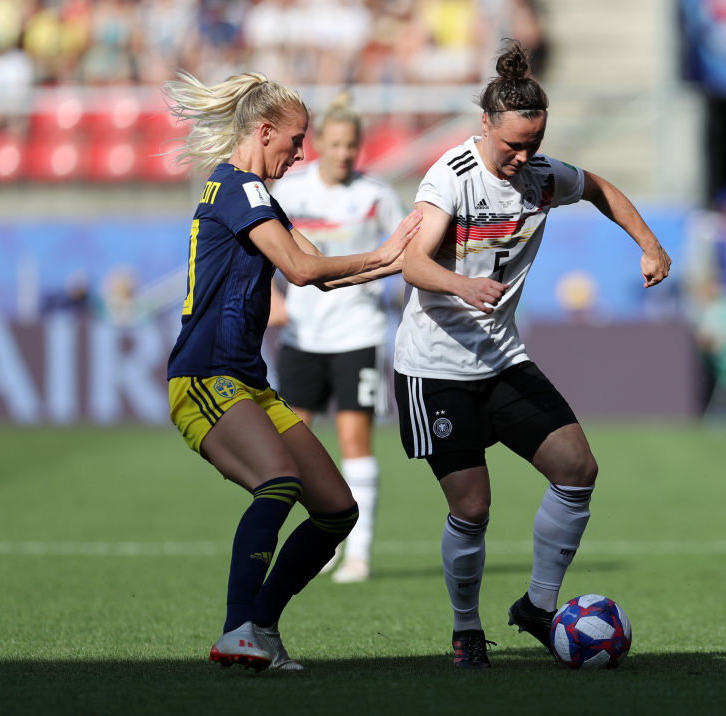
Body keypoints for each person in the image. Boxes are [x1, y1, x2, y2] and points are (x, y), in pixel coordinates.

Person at [391, 40, 671, 668]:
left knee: (578, 468)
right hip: (434, 369)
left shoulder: (542, 176)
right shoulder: (450, 178)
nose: (521, 157)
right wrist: (463, 284)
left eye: (533, 144)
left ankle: (538, 608)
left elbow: (597, 186)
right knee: (473, 507)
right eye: (511, 145)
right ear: (484, 124)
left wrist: (648, 245)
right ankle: (467, 629)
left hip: (502, 361)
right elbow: (411, 261)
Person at [163, 70, 421, 671]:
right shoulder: (236, 188)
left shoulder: (256, 196)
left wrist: (394, 262)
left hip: (247, 382)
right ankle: (235, 630)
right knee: (277, 481)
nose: (301, 151)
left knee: (337, 508)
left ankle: (261, 627)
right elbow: (304, 274)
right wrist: (384, 253)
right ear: (266, 129)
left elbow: (317, 267)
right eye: (297, 139)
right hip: (205, 377)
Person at [268, 90, 406, 583]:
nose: (345, 153)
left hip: (359, 333)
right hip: (303, 335)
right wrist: (271, 296)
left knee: (353, 441)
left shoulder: (376, 196)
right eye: (336, 143)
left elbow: (406, 254)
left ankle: (359, 553)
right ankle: (322, 542)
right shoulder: (291, 193)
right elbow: (261, 249)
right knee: (296, 447)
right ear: (319, 143)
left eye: (353, 145)